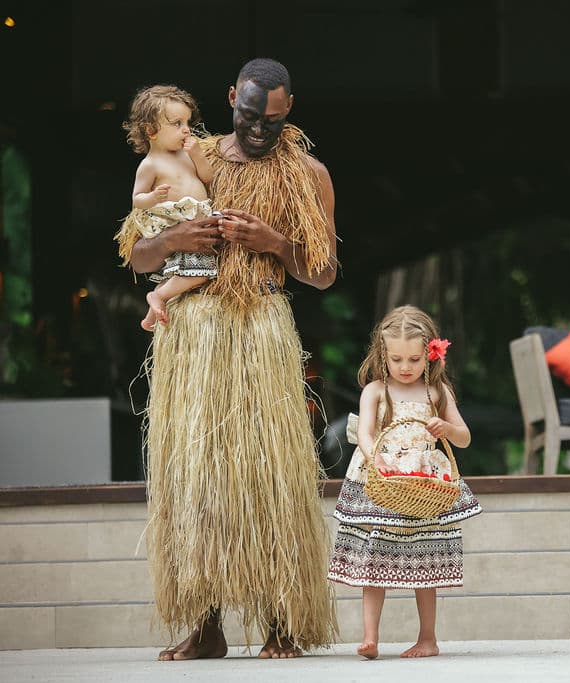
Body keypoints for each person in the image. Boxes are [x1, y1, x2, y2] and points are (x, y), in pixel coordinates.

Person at [115, 58, 339, 660]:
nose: (257, 129)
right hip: (193, 334)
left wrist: (274, 243)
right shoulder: (194, 154)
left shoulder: (307, 173)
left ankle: (280, 622)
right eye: (246, 115)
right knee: (196, 480)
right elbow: (137, 254)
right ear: (232, 99)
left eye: (269, 120)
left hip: (263, 329)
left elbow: (322, 272)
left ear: (287, 108)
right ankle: (206, 623)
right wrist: (172, 242)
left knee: (270, 480)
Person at [328, 305, 482, 659]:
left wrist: (447, 428)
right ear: (383, 354)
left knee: (423, 560)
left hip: (421, 485)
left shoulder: (437, 392)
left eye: (414, 359)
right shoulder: (376, 390)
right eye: (397, 359)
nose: (406, 367)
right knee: (374, 556)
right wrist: (374, 457)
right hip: (381, 479)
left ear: (430, 355)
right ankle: (370, 638)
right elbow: (366, 433)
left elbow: (465, 438)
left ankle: (428, 637)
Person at [122, 85, 218, 332]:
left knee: (189, 271)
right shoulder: (150, 165)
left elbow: (208, 178)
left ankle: (151, 316)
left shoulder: (185, 155)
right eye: (177, 123)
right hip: (177, 224)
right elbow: (137, 199)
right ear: (151, 130)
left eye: (187, 122)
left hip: (197, 219)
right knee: (200, 273)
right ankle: (159, 296)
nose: (186, 129)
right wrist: (153, 196)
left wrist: (197, 155)